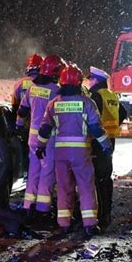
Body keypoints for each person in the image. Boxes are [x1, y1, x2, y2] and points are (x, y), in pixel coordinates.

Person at [36, 65, 113, 236]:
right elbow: (96, 130)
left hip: (60, 154)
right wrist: (106, 146)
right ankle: (90, 224)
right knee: (86, 187)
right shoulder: (87, 103)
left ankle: (64, 223)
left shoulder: (53, 104)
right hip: (81, 154)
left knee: (64, 188)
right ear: (79, 82)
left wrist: (40, 147)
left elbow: (44, 130)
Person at [16, 55, 65, 217]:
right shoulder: (56, 91)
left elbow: (22, 111)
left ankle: (28, 204)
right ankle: (42, 208)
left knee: (33, 169)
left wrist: (19, 126)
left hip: (32, 137)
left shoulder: (32, 88)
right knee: (47, 171)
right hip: (48, 138)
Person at [87, 66, 127, 229]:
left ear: (96, 80)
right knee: (105, 178)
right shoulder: (112, 95)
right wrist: (113, 126)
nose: (89, 82)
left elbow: (92, 119)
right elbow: (123, 112)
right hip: (109, 140)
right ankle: (106, 213)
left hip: (98, 141)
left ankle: (100, 216)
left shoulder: (95, 96)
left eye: (90, 79)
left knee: (96, 180)